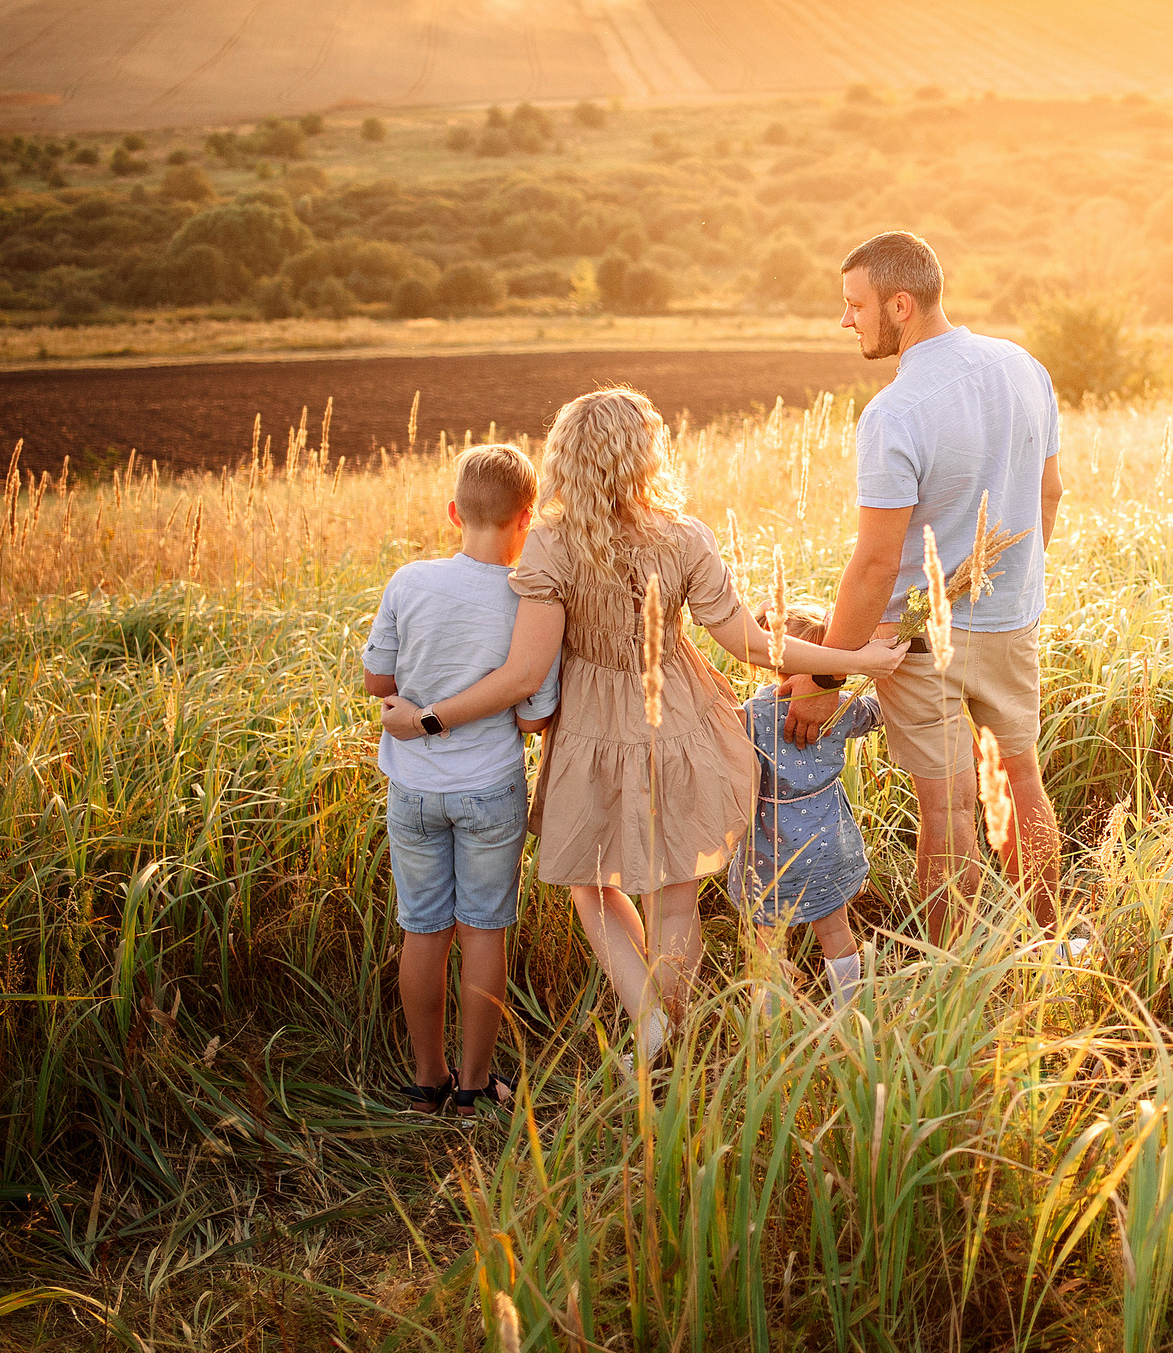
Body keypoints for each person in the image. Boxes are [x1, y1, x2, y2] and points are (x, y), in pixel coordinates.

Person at [379, 388, 904, 1067]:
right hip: (682, 718)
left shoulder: (551, 542)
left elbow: (527, 669)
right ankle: (667, 1035)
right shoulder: (683, 536)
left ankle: (651, 1017)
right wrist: (852, 658)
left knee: (590, 885)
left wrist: (428, 719)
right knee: (674, 892)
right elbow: (748, 643)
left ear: (566, 458)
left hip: (592, 727)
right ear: (645, 456)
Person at [780, 231, 1066, 942]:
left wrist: (823, 678)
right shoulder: (1025, 367)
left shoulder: (895, 412)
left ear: (899, 304)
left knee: (949, 810)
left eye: (855, 305)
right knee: (1021, 779)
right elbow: (1050, 494)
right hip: (1012, 619)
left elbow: (876, 566)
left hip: (916, 636)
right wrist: (1012, 591)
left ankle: (951, 974)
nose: (845, 320)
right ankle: (1055, 939)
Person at [360, 442, 561, 1117]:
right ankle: (475, 1088)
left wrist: (416, 702)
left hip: (413, 789)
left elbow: (376, 681)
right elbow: (535, 715)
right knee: (483, 932)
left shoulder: (409, 580)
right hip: (489, 788)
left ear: (453, 511)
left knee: (424, 931)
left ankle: (427, 1079)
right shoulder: (526, 597)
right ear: (526, 518)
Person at [736, 605, 882, 1006]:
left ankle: (767, 1026)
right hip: (826, 835)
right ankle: (849, 1010)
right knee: (834, 927)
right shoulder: (840, 706)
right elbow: (876, 713)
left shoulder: (753, 713)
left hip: (769, 842)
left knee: (766, 935)